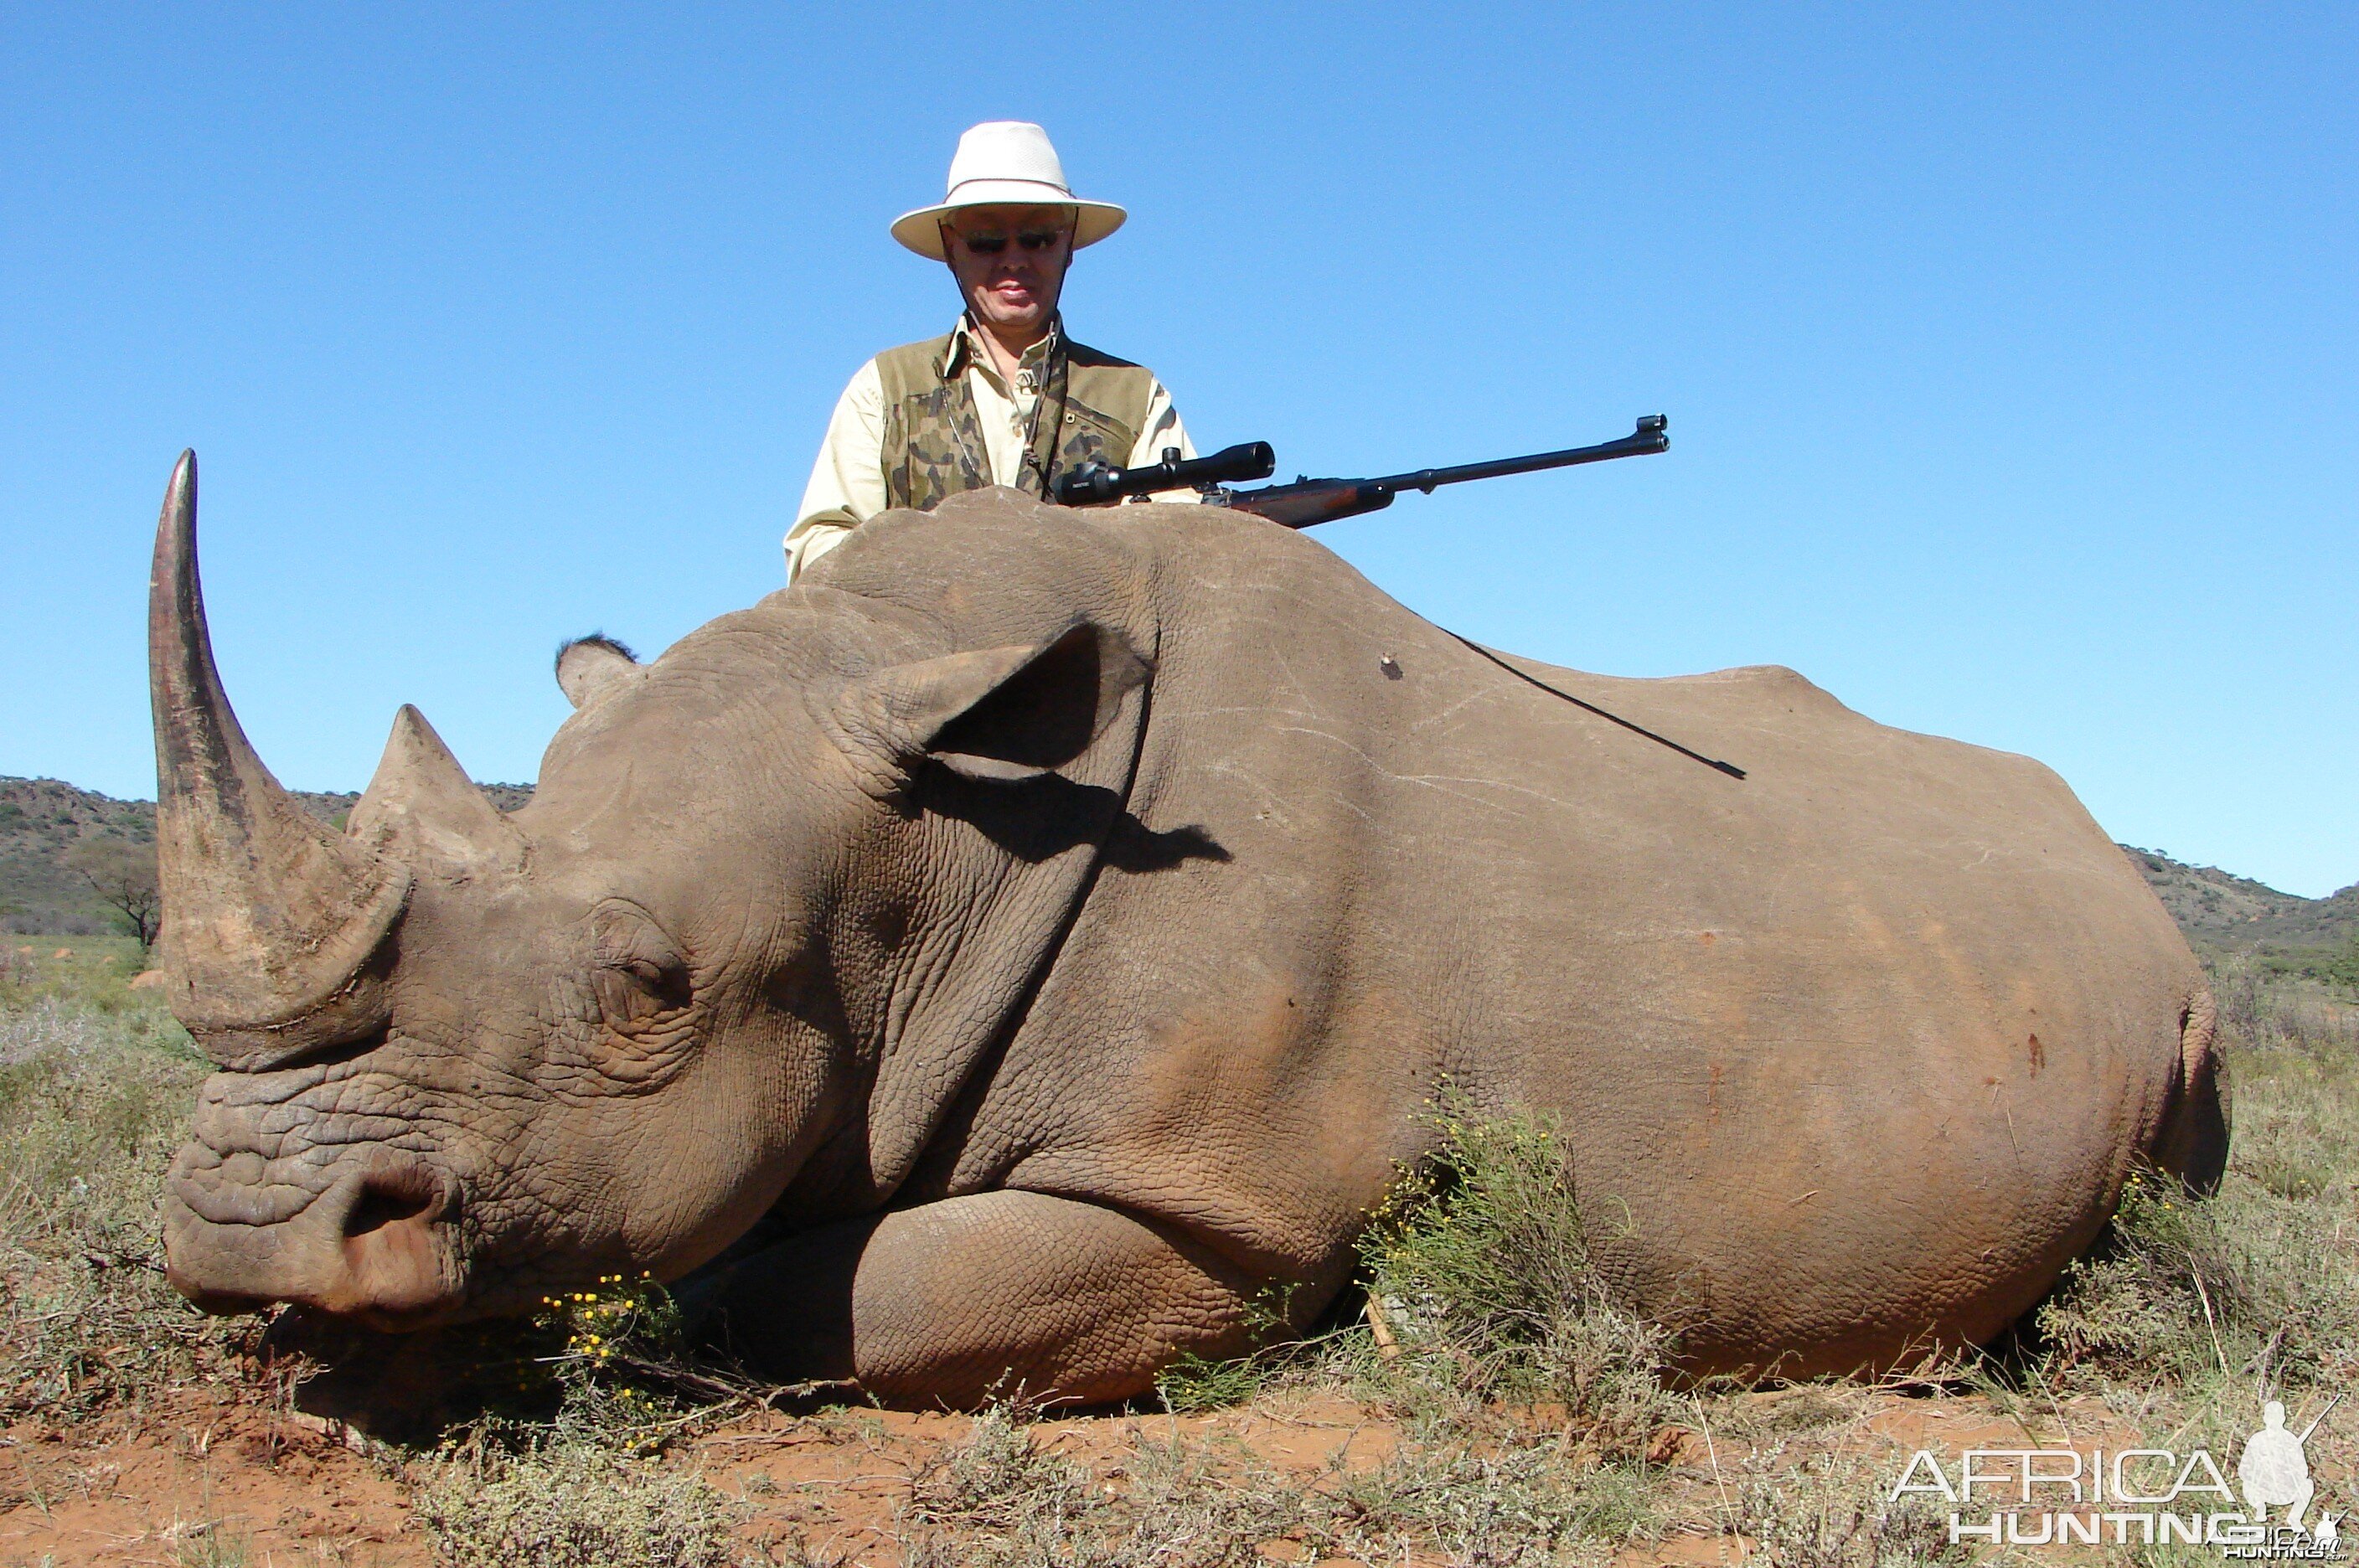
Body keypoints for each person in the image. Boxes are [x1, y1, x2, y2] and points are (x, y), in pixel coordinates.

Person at [784, 121, 1194, 581]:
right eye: (986, 240)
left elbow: (1179, 548)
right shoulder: (884, 387)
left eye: (1038, 238)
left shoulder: (1136, 395)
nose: (1015, 260)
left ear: (1069, 244)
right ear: (950, 247)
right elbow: (821, 547)